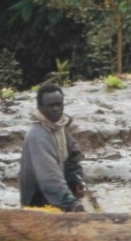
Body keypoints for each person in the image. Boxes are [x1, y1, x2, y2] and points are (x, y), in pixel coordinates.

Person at [19, 83, 87, 212]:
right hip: (39, 201)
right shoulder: (37, 135)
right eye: (51, 106)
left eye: (59, 104)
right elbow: (49, 176)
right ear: (40, 107)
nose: (56, 109)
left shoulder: (60, 127)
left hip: (56, 196)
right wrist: (71, 203)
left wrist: (76, 180)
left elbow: (73, 155)